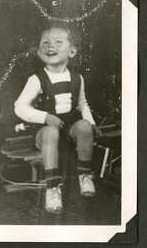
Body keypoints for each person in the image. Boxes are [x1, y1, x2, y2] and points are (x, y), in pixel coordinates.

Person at [14, 25, 101, 214]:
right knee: (51, 131)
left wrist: (91, 123)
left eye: (58, 42)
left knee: (84, 127)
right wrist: (45, 117)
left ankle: (85, 175)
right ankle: (52, 188)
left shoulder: (78, 78)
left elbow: (82, 104)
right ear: (38, 52)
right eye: (44, 43)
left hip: (69, 132)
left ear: (72, 51)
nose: (50, 46)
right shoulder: (36, 79)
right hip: (44, 134)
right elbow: (19, 107)